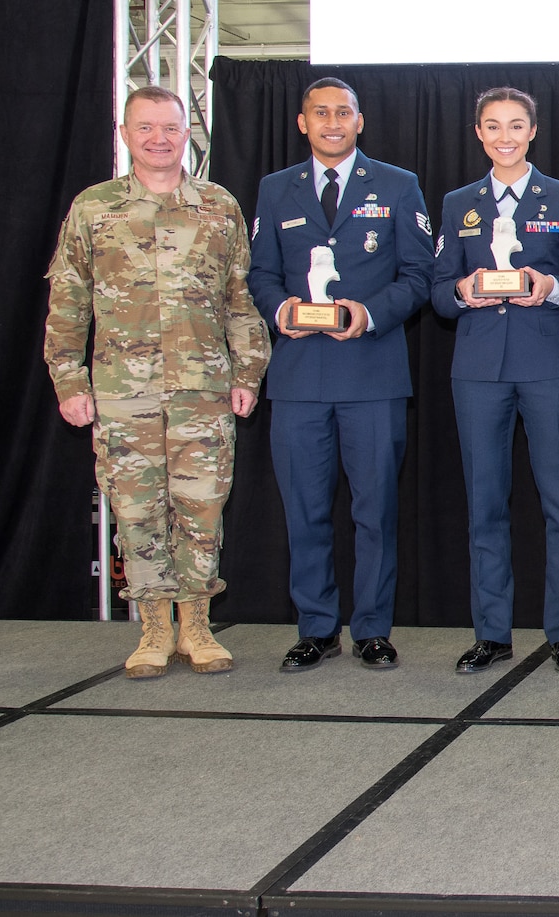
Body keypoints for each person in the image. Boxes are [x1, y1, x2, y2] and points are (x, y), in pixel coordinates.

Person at [45, 86, 270, 678]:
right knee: (137, 511)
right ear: (125, 134)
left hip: (204, 390)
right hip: (124, 394)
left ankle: (195, 627)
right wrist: (69, 381)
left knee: (201, 507)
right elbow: (68, 303)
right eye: (145, 128)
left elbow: (238, 299)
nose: (159, 139)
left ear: (187, 133)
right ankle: (152, 631)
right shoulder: (94, 208)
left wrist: (248, 371)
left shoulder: (219, 206)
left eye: (170, 128)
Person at [249, 77, 433, 672]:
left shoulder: (399, 186)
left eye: (343, 112)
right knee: (305, 508)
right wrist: (280, 312)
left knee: (374, 508)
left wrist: (370, 312)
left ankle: (373, 628)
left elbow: (417, 276)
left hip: (372, 377)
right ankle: (316, 627)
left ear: (360, 121)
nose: (332, 121)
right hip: (299, 377)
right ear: (302, 123)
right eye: (319, 112)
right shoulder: (276, 190)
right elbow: (261, 275)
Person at [432, 87, 559, 675]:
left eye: (516, 126)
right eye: (493, 126)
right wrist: (462, 290)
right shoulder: (459, 204)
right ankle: (491, 632)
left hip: (547, 367)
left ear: (534, 132)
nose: (504, 136)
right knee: (485, 504)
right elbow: (437, 289)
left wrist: (549, 287)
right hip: (478, 371)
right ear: (479, 133)